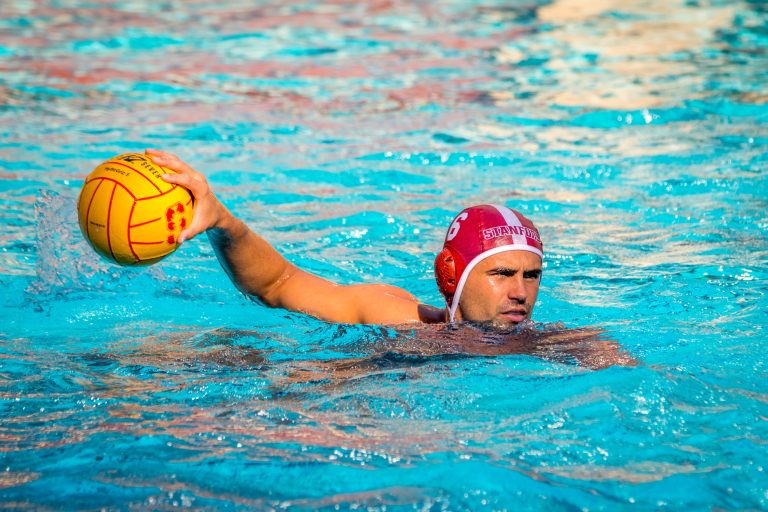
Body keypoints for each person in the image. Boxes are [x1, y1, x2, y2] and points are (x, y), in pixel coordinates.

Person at [146, 148, 544, 330]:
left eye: (532, 275)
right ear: (451, 275)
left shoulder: (561, 348)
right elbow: (276, 283)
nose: (520, 292)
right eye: (503, 272)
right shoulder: (389, 315)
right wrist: (222, 221)